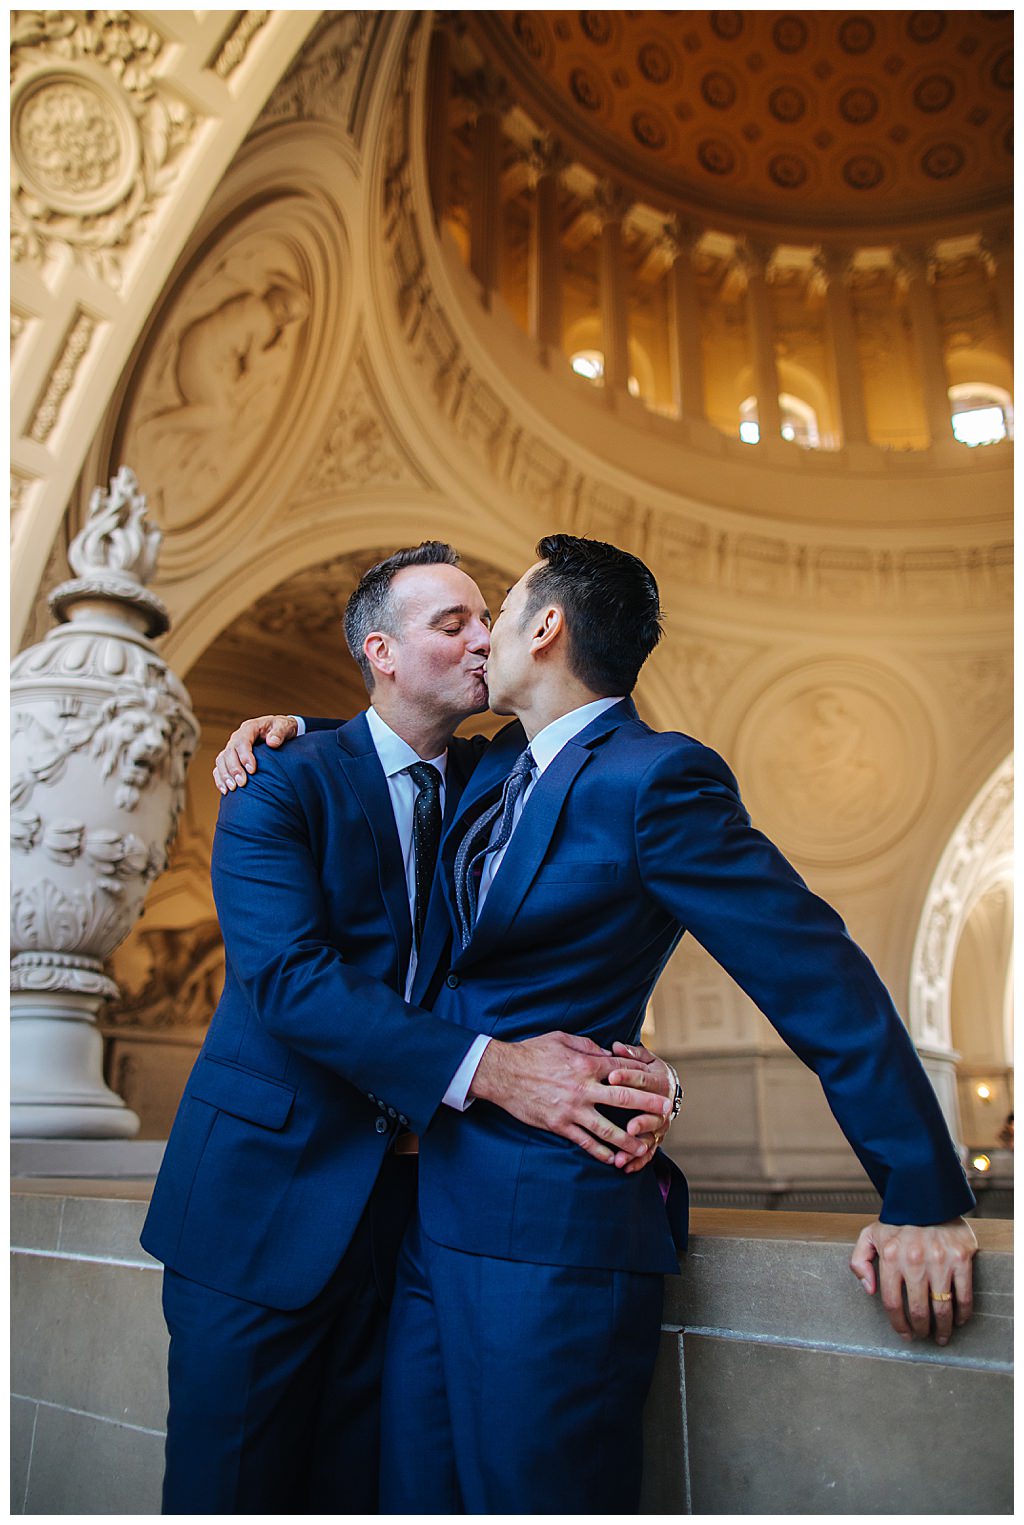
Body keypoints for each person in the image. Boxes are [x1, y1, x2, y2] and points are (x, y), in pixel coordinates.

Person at [225, 534, 978, 1514]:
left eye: (497, 614)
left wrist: (919, 1194)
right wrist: (291, 730)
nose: (480, 636)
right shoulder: (493, 769)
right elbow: (391, 750)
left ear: (546, 628)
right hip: (431, 1223)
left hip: (556, 1231)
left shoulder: (656, 779)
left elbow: (815, 972)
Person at [141, 542, 676, 1514]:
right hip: (258, 1213)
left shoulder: (496, 778)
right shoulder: (275, 777)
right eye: (453, 623)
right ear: (381, 652)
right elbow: (290, 982)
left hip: (412, 1234)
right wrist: (495, 1071)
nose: (486, 639)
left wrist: (621, 1062)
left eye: (489, 617)